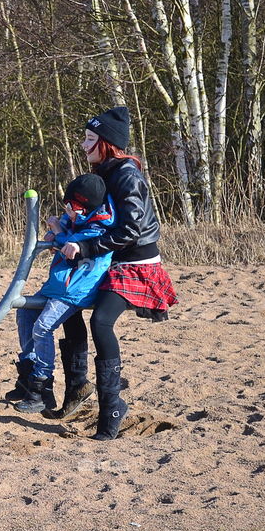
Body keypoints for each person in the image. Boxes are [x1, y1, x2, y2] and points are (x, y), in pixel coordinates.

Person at [56, 106, 178, 440]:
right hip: (109, 260)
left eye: (90, 139)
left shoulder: (126, 174)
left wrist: (87, 249)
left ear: (107, 143)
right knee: (69, 304)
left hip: (134, 265)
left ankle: (112, 408)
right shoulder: (105, 172)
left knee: (101, 322)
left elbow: (130, 229)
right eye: (85, 138)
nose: (83, 145)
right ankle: (78, 388)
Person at [12, 174, 116, 417]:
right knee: (25, 313)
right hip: (58, 286)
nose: (67, 211)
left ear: (85, 207)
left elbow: (73, 248)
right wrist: (58, 231)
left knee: (42, 328)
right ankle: (28, 374)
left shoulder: (98, 227)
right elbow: (66, 235)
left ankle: (42, 383)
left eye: (72, 207)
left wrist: (58, 232)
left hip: (75, 291)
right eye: (66, 206)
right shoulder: (77, 221)